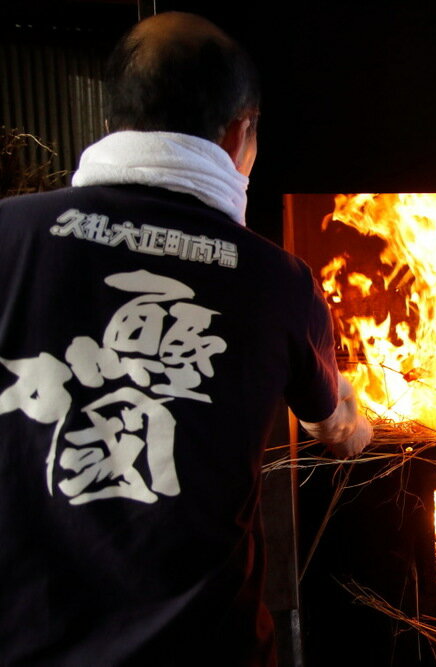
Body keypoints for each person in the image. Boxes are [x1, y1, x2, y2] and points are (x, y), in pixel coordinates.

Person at [0, 12, 371, 666]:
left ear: (112, 121)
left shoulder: (9, 236)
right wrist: (351, 405)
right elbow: (333, 427)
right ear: (241, 132)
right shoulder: (275, 280)